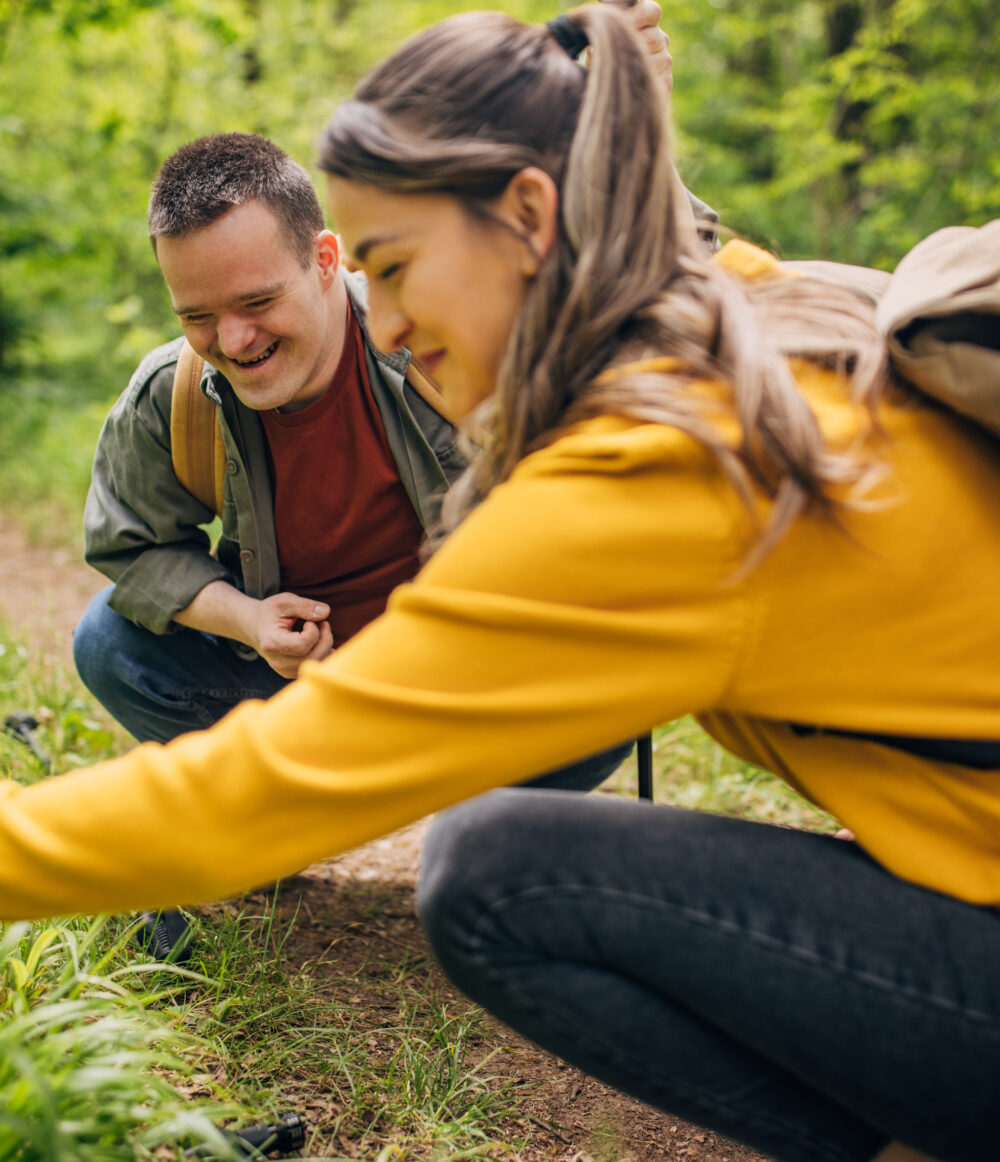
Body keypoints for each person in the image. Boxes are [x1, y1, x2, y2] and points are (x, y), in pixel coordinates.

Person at [1, 6, 993, 1162]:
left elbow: (268, 788)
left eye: (397, 267)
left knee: (498, 875)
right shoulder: (761, 313)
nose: (393, 320)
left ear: (530, 215)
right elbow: (658, 234)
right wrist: (623, 114)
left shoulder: (667, 466)